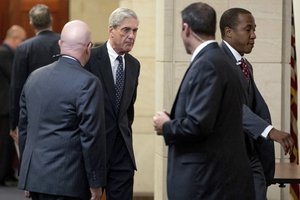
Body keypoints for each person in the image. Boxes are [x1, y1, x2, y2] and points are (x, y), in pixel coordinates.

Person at [152, 2, 255, 200]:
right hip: (216, 180)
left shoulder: (208, 64)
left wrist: (166, 125)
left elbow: (199, 125)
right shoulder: (221, 60)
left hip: (206, 183)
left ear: (186, 28)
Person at [18, 20, 106, 200]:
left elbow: (25, 129)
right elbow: (91, 137)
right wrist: (95, 182)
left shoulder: (35, 77)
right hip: (69, 183)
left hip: (35, 178)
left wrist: (27, 174)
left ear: (60, 44)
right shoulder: (88, 83)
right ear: (88, 47)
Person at [219, 8, 294, 199]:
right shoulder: (216, 62)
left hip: (250, 154)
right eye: (248, 29)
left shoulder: (245, 65)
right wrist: (270, 131)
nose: (254, 35)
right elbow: (232, 106)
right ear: (228, 32)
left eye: (254, 29)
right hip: (227, 159)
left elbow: (253, 105)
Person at [86, 7, 140, 200]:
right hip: (96, 149)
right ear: (111, 30)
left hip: (122, 153)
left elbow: (128, 110)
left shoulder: (134, 65)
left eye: (135, 31)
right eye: (126, 30)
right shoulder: (91, 58)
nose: (131, 36)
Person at [10, 4, 60, 144]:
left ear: (31, 22)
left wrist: (14, 123)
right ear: (51, 19)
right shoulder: (64, 42)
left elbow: (17, 87)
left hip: (33, 112)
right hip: (63, 109)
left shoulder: (23, 48)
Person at [0, 25, 26, 186]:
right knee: (5, 143)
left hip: (5, 105)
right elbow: (13, 75)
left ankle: (7, 173)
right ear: (14, 38)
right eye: (22, 40)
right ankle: (2, 174)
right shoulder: (4, 53)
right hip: (3, 106)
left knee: (8, 144)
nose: (23, 44)